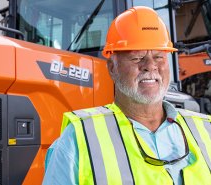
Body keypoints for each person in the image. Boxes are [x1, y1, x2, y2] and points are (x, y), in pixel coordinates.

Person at [43, 6, 211, 185]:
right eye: (137, 58)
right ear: (112, 68)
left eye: (159, 57)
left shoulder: (206, 129)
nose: (150, 66)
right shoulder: (77, 140)